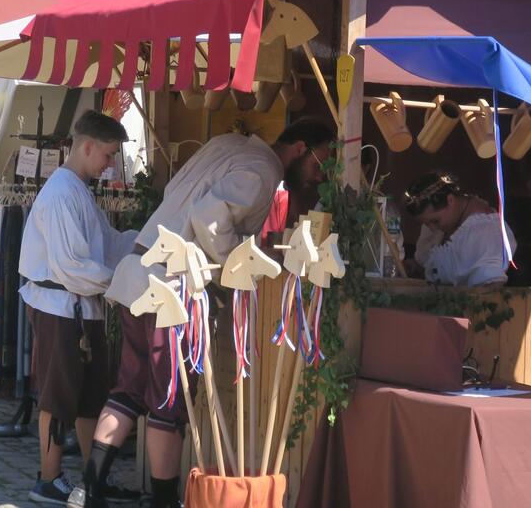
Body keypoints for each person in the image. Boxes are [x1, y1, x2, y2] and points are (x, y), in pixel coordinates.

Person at [74, 117, 335, 508]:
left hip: (138, 276)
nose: (319, 176)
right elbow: (208, 219)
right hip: (172, 287)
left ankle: (88, 491)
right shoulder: (264, 169)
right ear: (300, 149)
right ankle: (163, 501)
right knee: (168, 399)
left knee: (129, 390)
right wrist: (237, 264)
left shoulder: (228, 142)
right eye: (319, 164)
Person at [18, 111, 139, 505]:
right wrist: (119, 282)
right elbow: (71, 266)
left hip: (81, 308)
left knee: (91, 396)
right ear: (87, 146)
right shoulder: (60, 193)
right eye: (107, 154)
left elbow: (107, 241)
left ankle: (93, 479)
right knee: (58, 396)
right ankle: (48, 480)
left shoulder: (78, 190)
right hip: (59, 307)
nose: (109, 164)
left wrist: (146, 242)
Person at [403, 171, 516, 288]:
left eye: (435, 221)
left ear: (450, 200)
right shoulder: (441, 223)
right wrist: (416, 267)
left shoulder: (487, 232)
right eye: (426, 224)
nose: (432, 228)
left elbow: (491, 290)